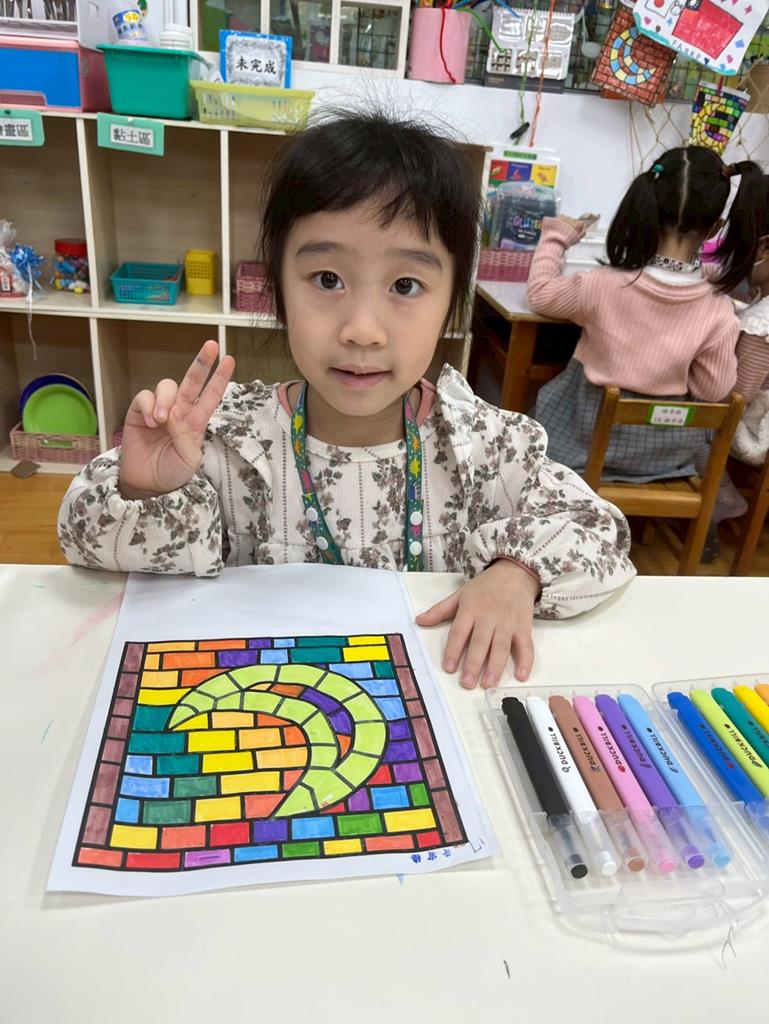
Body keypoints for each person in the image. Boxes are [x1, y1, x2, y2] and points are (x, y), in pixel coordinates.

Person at [58, 111, 634, 689]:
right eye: (327, 279)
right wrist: (147, 490)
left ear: (452, 304)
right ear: (278, 289)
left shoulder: (483, 446)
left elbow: (600, 531)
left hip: (433, 698)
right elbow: (85, 548)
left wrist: (517, 571)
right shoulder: (224, 443)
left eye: (406, 285)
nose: (362, 330)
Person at [528, 146, 764, 482]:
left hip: (580, 445)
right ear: (715, 228)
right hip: (664, 462)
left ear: (647, 207)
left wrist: (555, 238)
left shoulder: (603, 285)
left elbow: (541, 294)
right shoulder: (718, 310)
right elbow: (712, 391)